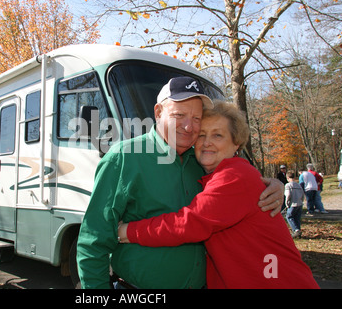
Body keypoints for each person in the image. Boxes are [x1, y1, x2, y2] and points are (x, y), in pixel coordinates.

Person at [76, 77, 284, 289]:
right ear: (158, 113)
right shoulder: (124, 158)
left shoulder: (203, 160)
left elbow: (236, 188)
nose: (188, 126)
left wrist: (273, 185)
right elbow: (93, 241)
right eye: (179, 115)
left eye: (196, 118)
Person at [118, 101, 319, 289]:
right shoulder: (211, 176)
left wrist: (127, 231)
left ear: (237, 144)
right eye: (202, 135)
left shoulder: (235, 176)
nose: (207, 143)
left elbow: (190, 223)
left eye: (218, 135)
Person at [284, 170, 305, 238]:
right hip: (299, 203)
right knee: (297, 218)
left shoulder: (288, 185)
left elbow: (288, 195)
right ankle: (298, 232)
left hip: (293, 204)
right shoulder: (298, 185)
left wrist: (286, 203)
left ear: (287, 177)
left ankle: (296, 230)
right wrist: (301, 201)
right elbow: (302, 194)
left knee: (289, 217)